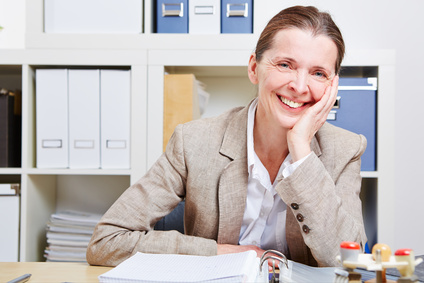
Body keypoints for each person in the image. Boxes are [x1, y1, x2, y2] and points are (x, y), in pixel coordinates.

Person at [87, 5, 367, 268]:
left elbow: (347, 261)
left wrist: (301, 150)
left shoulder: (345, 150)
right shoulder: (194, 141)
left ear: (332, 86)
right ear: (254, 68)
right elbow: (107, 241)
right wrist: (222, 253)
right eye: (285, 65)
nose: (300, 86)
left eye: (318, 73)